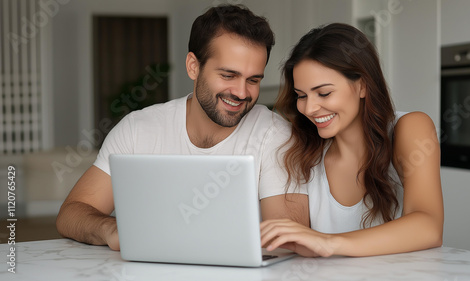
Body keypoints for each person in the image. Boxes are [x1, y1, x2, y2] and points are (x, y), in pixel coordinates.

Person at [56, 4, 309, 251]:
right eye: (228, 75)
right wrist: (111, 229)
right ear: (193, 66)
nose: (241, 92)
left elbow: (289, 238)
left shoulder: (277, 136)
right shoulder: (137, 129)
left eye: (253, 80)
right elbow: (72, 212)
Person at [260, 23, 444, 257]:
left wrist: (328, 243)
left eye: (324, 93)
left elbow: (429, 226)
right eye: (301, 96)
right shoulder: (302, 151)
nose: (310, 107)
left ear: (363, 86)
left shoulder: (410, 128)